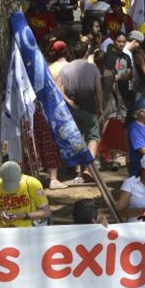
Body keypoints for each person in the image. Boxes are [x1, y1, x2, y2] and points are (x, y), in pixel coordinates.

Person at [56, 40, 102, 184]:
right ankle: (89, 168)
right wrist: (101, 107)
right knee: (93, 137)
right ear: (86, 53)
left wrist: (68, 101)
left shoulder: (65, 69)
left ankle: (78, 173)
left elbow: (55, 87)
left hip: (72, 109)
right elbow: (98, 90)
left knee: (77, 139)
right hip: (89, 107)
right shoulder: (93, 68)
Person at [0, 161, 52, 228]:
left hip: (28, 227)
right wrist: (1, 215)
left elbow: (46, 212)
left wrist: (25, 215)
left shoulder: (32, 184)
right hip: (5, 228)